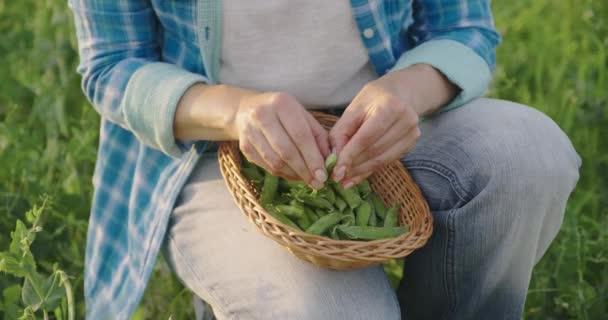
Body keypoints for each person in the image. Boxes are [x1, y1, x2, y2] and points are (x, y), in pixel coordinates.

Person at [68, 0, 581, 319]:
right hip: (213, 146)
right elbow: (113, 66)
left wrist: (405, 91)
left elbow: (464, 26)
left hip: (386, 126)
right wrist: (238, 112)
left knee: (526, 153)